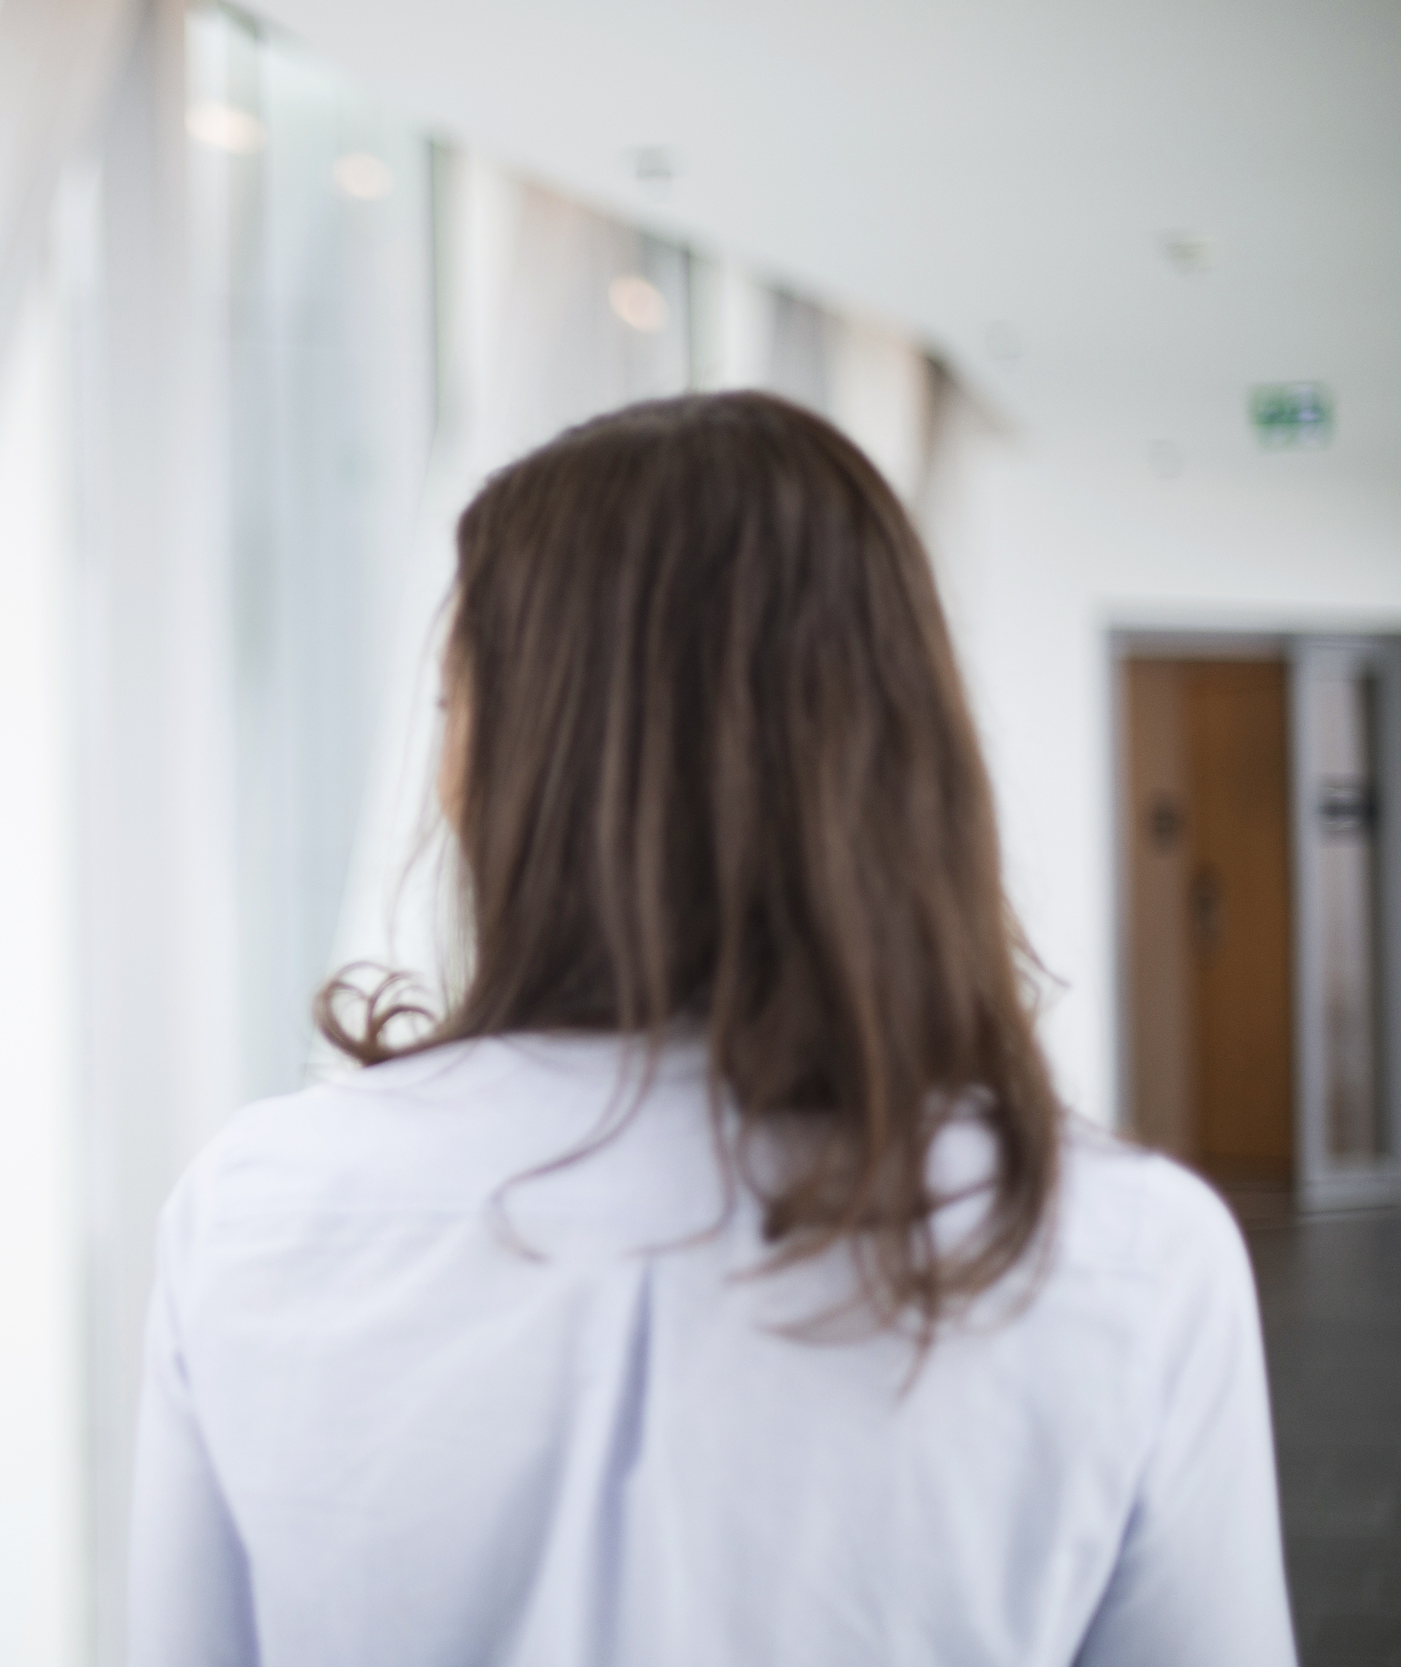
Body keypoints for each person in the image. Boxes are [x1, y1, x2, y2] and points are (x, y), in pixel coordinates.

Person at [127, 394, 1295, 1667]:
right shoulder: (1118, 1253)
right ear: (904, 748)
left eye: (452, 707)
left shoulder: (257, 1208)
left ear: (509, 768)